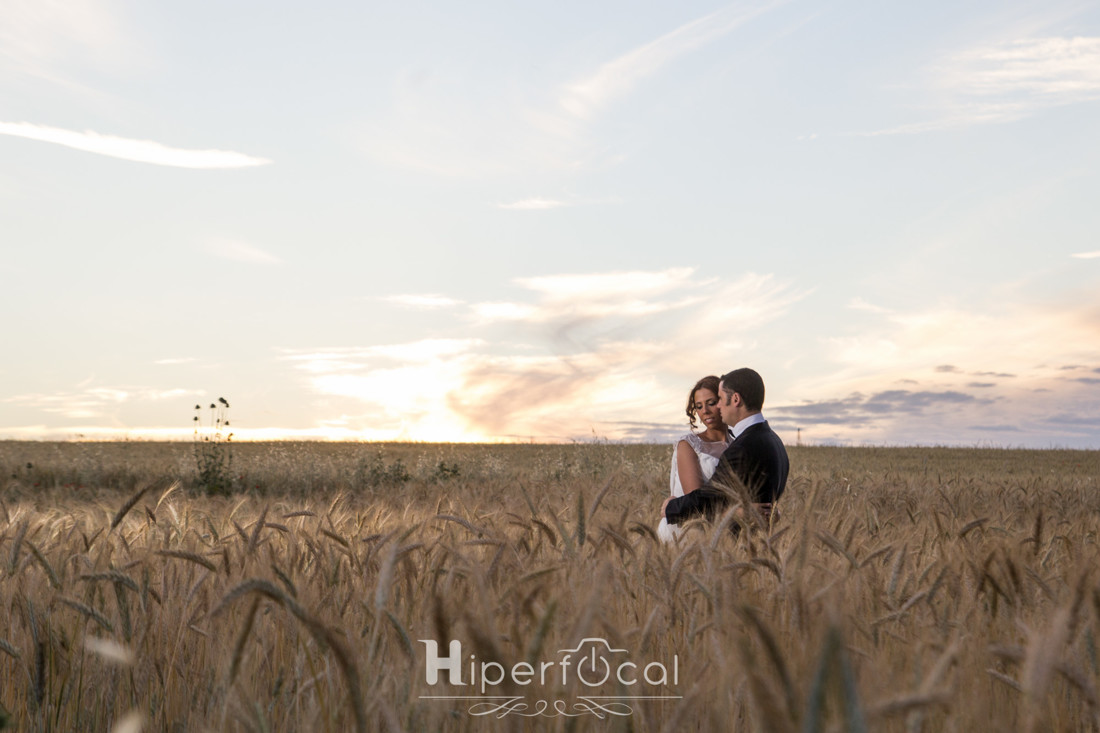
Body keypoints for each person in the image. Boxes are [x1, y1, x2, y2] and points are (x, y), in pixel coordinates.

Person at [661, 368, 789, 533]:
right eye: (698, 406)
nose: (705, 410)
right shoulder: (773, 440)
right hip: (694, 532)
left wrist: (670, 507)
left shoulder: (742, 446)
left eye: (715, 401)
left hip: (728, 539)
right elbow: (707, 502)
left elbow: (709, 499)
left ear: (735, 399)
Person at [657, 376, 730, 544]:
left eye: (711, 403)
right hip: (684, 533)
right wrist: (742, 510)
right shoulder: (689, 445)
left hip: (722, 535)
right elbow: (695, 503)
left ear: (723, 401)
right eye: (699, 406)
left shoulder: (738, 445)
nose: (705, 411)